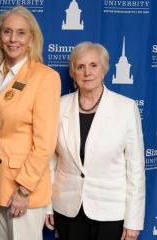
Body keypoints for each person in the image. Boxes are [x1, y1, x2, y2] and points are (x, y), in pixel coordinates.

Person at [45, 42, 145, 240]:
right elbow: (51, 162)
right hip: (67, 209)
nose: (87, 72)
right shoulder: (59, 106)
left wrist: (133, 220)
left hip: (110, 211)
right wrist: (47, 205)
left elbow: (135, 169)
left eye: (93, 65)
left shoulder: (125, 108)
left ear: (105, 69)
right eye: (80, 67)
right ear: (73, 72)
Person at [0, 6, 61, 240]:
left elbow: (45, 142)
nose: (12, 39)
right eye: (7, 32)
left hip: (22, 188)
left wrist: (24, 188)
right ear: (0, 38)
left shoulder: (45, 77)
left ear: (31, 38)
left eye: (20, 33)